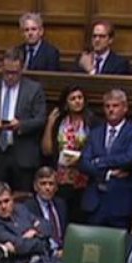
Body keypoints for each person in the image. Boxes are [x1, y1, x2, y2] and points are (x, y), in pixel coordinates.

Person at [0, 49, 47, 192]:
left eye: (14, 73)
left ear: (22, 68)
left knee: (22, 197)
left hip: (23, 154)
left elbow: (40, 119)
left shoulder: (34, 89)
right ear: (1, 66)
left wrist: (21, 125)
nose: (10, 77)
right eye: (6, 72)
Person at [80, 89, 132, 228]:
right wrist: (107, 173)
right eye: (107, 106)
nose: (111, 110)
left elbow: (128, 158)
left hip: (120, 202)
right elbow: (84, 162)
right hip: (95, 202)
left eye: (115, 106)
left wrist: (99, 161)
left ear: (125, 108)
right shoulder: (95, 132)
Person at [42, 85, 94, 218]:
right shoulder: (59, 122)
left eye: (80, 98)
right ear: (66, 103)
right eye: (73, 98)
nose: (77, 101)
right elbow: (47, 151)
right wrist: (50, 123)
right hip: (61, 179)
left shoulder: (92, 122)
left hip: (84, 178)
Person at [0, 181, 46, 263]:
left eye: (6, 201)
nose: (3, 206)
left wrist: (28, 236)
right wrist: (34, 236)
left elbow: (46, 226)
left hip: (43, 258)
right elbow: (20, 247)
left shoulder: (20, 209)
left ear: (12, 199)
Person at [21, 167, 68, 263]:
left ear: (56, 187)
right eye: (43, 184)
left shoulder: (61, 204)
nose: (47, 188)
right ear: (35, 186)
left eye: (51, 184)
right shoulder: (27, 207)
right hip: (42, 256)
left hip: (63, 254)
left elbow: (65, 233)